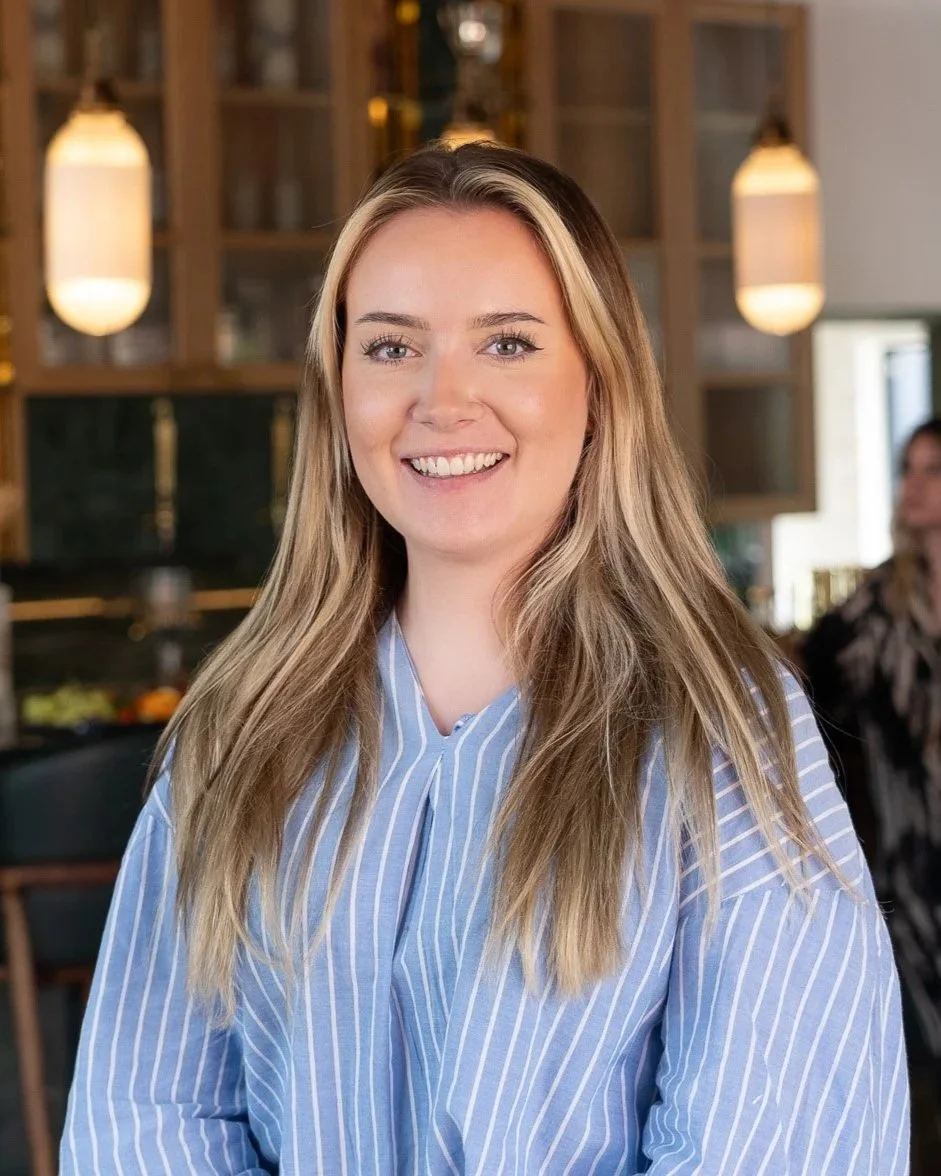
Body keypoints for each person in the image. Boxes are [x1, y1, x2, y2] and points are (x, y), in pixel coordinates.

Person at [61, 142, 907, 1174]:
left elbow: (778, 1146)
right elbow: (144, 1114)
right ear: (336, 395)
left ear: (599, 386)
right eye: (388, 348)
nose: (441, 400)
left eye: (506, 345)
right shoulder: (235, 731)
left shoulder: (719, 733)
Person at [803, 417, 941, 1165]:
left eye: (931, 469)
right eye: (907, 468)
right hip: (904, 861)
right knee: (911, 1064)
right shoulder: (875, 607)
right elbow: (805, 693)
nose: (911, 485)